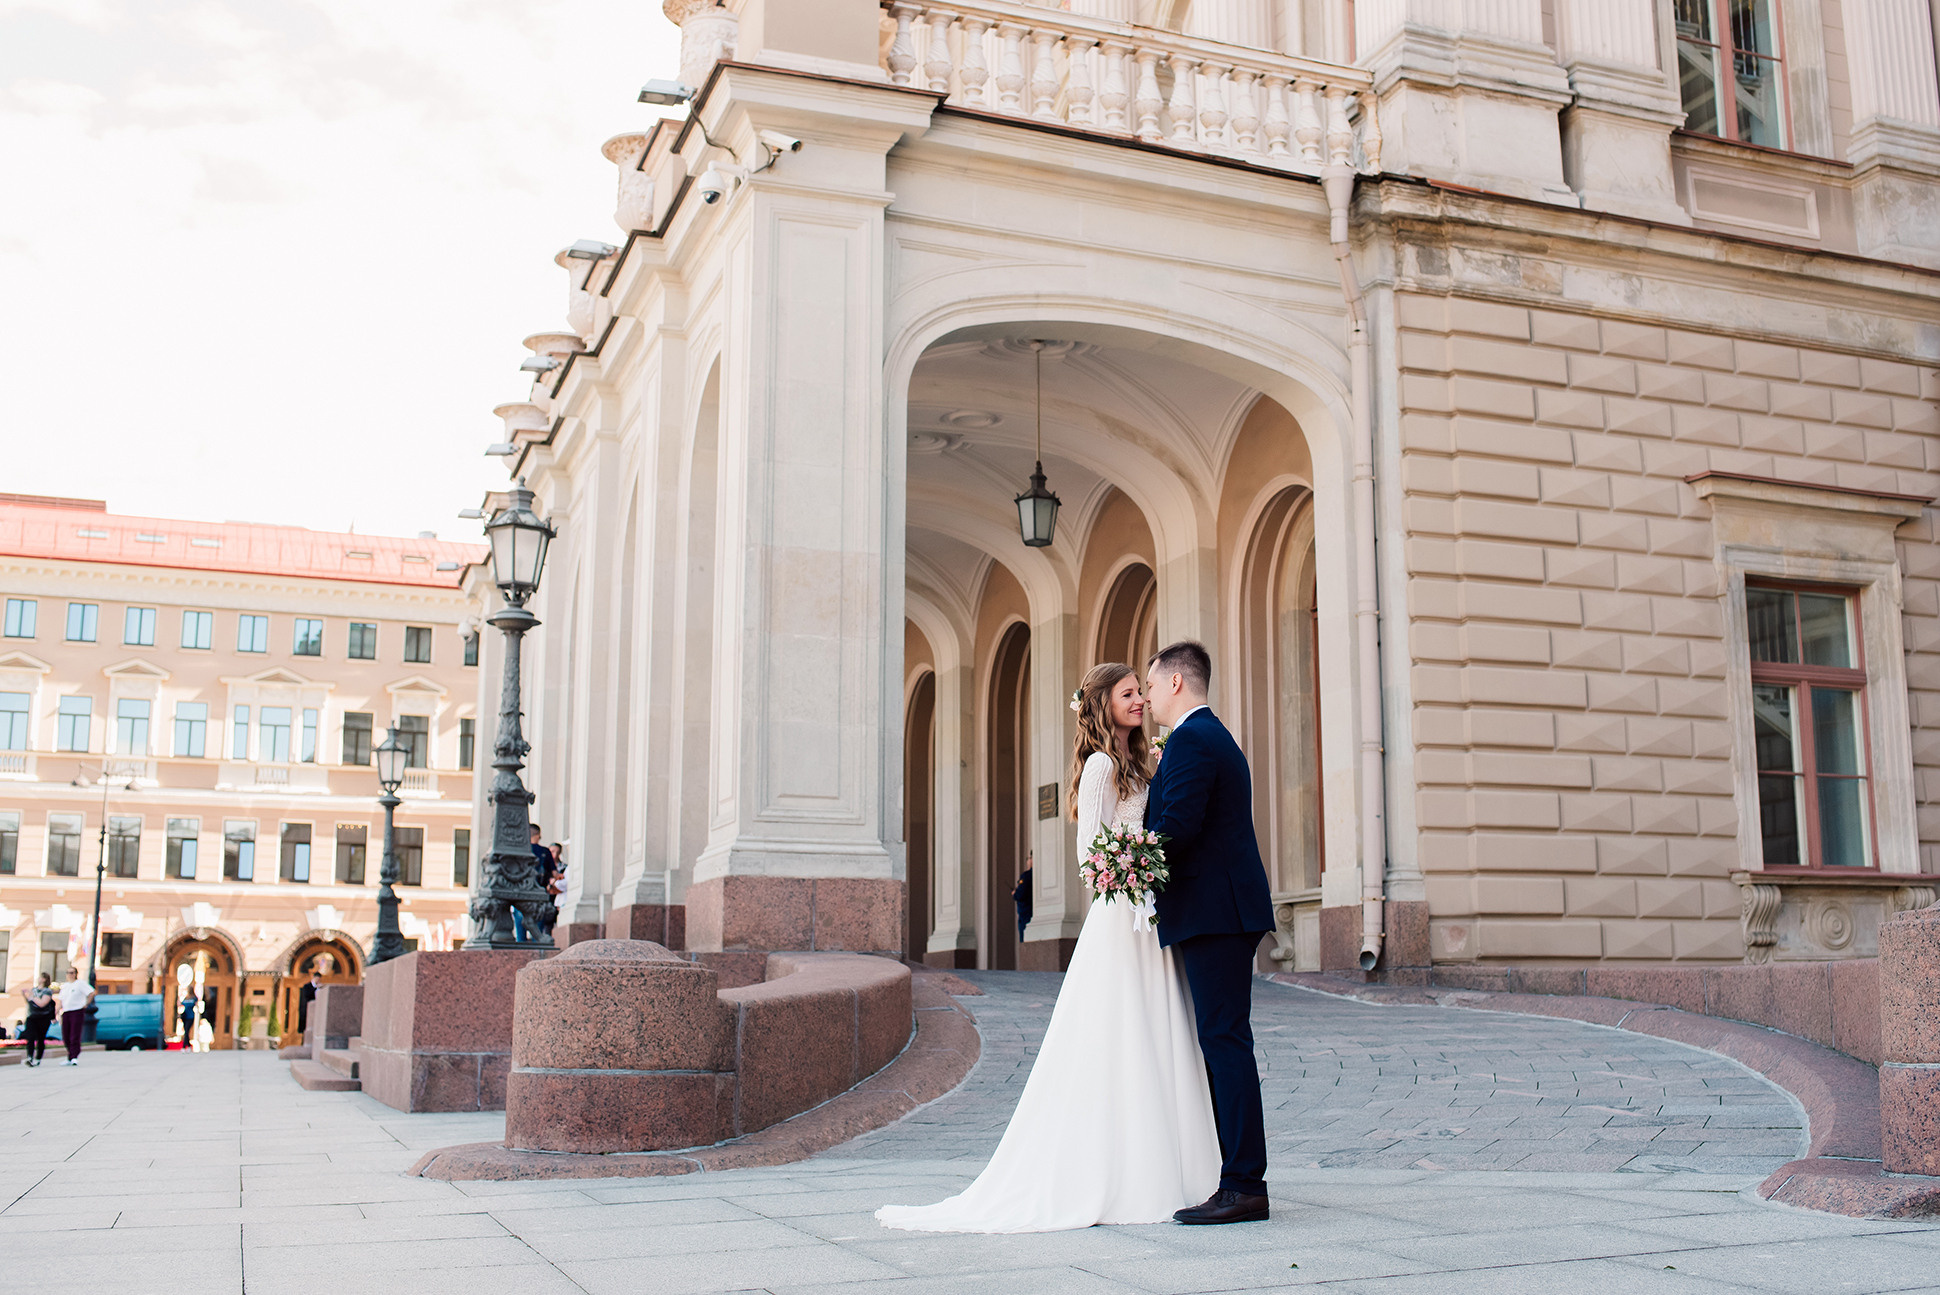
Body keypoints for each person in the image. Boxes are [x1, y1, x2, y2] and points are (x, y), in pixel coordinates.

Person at [877, 661, 1217, 1233]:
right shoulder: (1101, 765)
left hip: (1149, 914)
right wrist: (1135, 872)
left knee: (1158, 1028)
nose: (1139, 700)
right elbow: (1091, 857)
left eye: (1141, 691)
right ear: (1104, 704)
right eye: (1128, 693)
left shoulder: (1144, 761)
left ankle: (1173, 1165)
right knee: (1121, 1031)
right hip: (1121, 915)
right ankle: (1119, 1170)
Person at [1143, 639, 1277, 1225]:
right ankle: (1237, 1179)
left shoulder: (1194, 738)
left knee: (1225, 1042)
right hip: (1219, 912)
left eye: (1151, 684)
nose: (1148, 697)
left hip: (1216, 914)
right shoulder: (1207, 735)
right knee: (1224, 1041)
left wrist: (1129, 862)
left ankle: (1244, 1184)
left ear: (1176, 682)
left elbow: (1178, 826)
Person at [515, 824, 555, 942]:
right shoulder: (545, 851)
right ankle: (536, 949)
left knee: (520, 933)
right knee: (538, 933)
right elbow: (554, 873)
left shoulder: (519, 850)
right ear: (538, 835)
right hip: (539, 895)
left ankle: (520, 950)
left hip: (520, 894)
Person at [56, 967, 94, 1066]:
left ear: (76, 974)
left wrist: (86, 1004)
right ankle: (70, 1056)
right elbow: (60, 1001)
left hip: (77, 1011)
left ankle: (74, 1056)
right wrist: (56, 1012)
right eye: (68, 972)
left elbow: (91, 993)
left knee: (74, 1034)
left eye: (72, 972)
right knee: (66, 1035)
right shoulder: (65, 986)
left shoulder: (80, 984)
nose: (70, 974)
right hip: (66, 1012)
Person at [20, 972, 56, 1067]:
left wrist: (32, 996)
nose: (38, 978)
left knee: (40, 1038)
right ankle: (29, 1057)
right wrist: (25, 995)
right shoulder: (34, 989)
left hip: (43, 1018)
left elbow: (42, 1004)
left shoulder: (47, 991)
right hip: (32, 1017)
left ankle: (38, 1058)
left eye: (40, 977)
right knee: (30, 1037)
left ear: (44, 979)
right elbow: (30, 1002)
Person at [1012, 852, 1033, 944]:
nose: (1028, 861)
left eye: (1029, 858)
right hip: (1031, 911)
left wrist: (1015, 893)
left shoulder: (1026, 876)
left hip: (1026, 912)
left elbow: (1020, 895)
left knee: (1024, 940)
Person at [296, 971, 322, 1036]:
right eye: (317, 978)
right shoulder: (307, 986)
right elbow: (307, 996)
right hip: (307, 1010)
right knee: (305, 1027)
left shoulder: (320, 987)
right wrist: (315, 989)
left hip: (316, 1010)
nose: (318, 980)